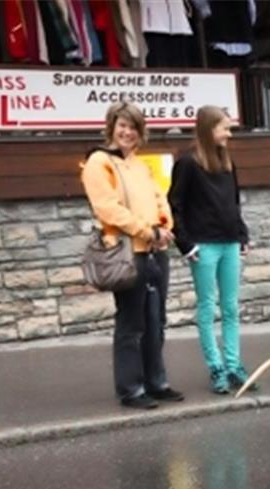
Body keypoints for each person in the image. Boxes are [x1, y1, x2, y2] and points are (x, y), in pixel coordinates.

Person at [81, 101, 184, 410]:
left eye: (134, 127)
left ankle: (156, 382)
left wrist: (163, 227)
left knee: (156, 321)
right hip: (128, 254)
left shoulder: (140, 165)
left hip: (155, 251)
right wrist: (146, 231)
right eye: (122, 126)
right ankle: (131, 388)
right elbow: (108, 208)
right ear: (111, 127)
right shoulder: (99, 162)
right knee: (132, 323)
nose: (127, 132)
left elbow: (160, 200)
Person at [168, 105, 253, 395]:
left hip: (229, 242)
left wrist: (242, 234)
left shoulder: (227, 161)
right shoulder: (188, 163)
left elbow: (234, 202)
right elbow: (175, 204)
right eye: (224, 128)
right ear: (208, 129)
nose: (229, 134)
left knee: (230, 307)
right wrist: (185, 243)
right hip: (203, 245)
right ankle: (216, 367)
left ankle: (234, 365)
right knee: (207, 307)